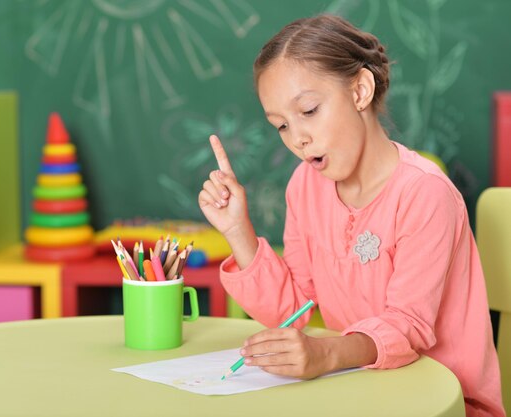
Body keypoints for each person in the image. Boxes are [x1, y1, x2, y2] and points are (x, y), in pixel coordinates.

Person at [198, 14, 504, 417]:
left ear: (360, 90)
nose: (297, 138)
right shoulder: (304, 187)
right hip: (359, 392)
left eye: (309, 110)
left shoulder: (425, 193)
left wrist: (326, 354)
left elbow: (407, 325)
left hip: (445, 403)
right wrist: (238, 230)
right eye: (281, 126)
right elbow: (294, 311)